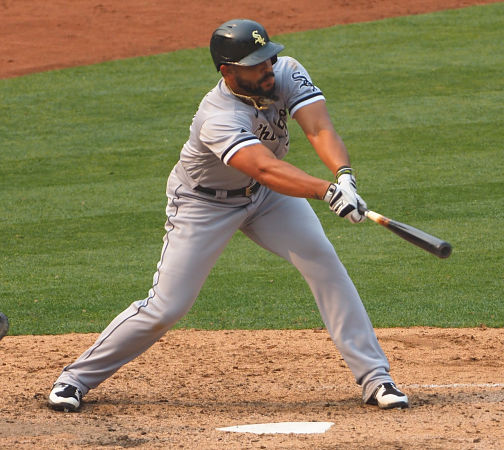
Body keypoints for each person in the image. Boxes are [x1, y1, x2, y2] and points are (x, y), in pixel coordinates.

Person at [48, 18, 408, 412]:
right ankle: (75, 379)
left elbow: (319, 128)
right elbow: (263, 166)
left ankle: (376, 378)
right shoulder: (217, 116)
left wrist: (344, 178)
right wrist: (325, 191)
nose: (267, 69)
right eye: (256, 64)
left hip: (268, 198)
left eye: (269, 58)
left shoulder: (286, 72)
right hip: (204, 205)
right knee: (167, 306)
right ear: (228, 72)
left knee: (324, 263)